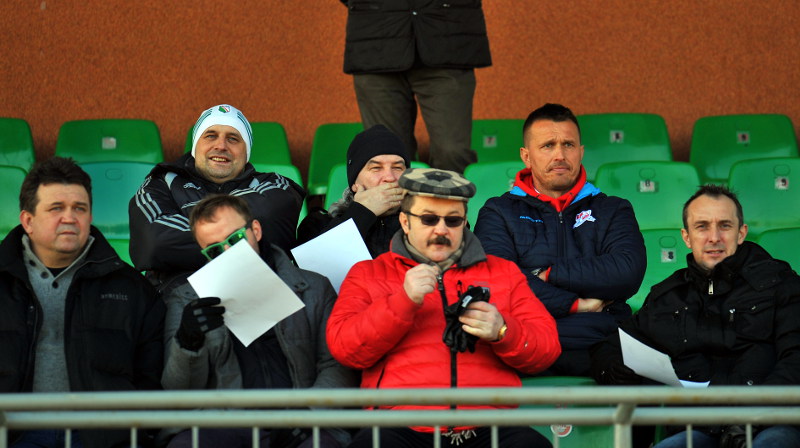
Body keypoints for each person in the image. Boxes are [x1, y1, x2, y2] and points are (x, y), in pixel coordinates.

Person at [327, 168, 561, 448]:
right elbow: (344, 348)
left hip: (488, 423)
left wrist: (503, 330)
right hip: (400, 425)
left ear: (465, 222)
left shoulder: (504, 272)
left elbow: (547, 349)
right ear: (405, 221)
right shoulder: (369, 273)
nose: (441, 229)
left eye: (453, 220)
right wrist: (402, 302)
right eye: (428, 219)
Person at [589, 185, 800, 448]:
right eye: (702, 227)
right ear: (686, 237)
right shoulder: (669, 296)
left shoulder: (781, 284)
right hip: (699, 428)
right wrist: (615, 369)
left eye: (724, 226)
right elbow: (612, 346)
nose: (714, 237)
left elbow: (796, 359)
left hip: (771, 422)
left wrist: (754, 415)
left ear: (741, 233)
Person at [160, 194, 358, 448]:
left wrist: (308, 415)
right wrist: (188, 342)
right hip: (223, 426)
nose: (228, 252)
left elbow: (335, 365)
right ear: (204, 254)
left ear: (256, 230)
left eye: (235, 239)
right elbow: (177, 391)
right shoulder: (187, 299)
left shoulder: (314, 286)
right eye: (215, 250)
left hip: (303, 419)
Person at [0, 157, 164, 448]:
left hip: (101, 437)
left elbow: (149, 376)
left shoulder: (132, 290)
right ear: (28, 221)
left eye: (79, 208)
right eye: (56, 208)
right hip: (13, 434)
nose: (69, 218)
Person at [473, 103, 646, 376]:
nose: (560, 155)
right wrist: (576, 304)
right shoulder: (498, 212)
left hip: (600, 338)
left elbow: (627, 271)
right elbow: (499, 282)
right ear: (526, 156)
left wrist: (547, 274)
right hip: (526, 337)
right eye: (547, 146)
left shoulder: (613, 208)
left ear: (581, 152)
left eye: (568, 144)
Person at [129, 104, 305, 293]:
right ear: (196, 146)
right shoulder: (162, 182)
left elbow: (271, 224)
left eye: (233, 139)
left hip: (256, 293)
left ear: (246, 152)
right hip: (181, 295)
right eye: (211, 136)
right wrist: (239, 240)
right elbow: (156, 243)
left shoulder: (274, 184)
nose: (221, 146)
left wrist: (197, 240)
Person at [339, 0, 490, 174]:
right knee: (387, 156)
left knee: (452, 153)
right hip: (374, 44)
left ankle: (449, 194)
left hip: (449, 41)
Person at [297, 124, 409, 257]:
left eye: (397, 168)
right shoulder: (318, 224)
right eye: (376, 168)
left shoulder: (423, 221)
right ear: (355, 184)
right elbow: (314, 262)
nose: (390, 177)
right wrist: (361, 213)